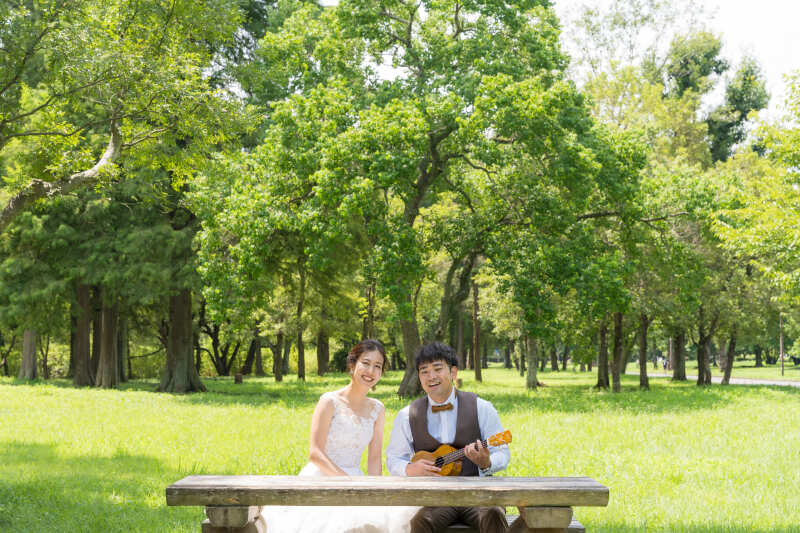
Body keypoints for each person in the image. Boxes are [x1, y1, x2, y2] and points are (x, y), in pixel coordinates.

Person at [260, 339, 419, 533]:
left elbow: (374, 458)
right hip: (321, 478)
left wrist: (375, 492)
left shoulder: (378, 408)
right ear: (353, 365)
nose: (370, 371)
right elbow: (315, 453)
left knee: (380, 520)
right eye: (366, 363)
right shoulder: (329, 401)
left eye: (377, 366)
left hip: (356, 479)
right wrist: (347, 483)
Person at [385, 342, 510, 533]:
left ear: (453, 373)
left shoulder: (482, 407)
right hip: (434, 497)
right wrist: (409, 468)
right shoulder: (407, 415)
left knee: (494, 513)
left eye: (437, 369)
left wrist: (487, 463)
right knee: (421, 521)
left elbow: (502, 452)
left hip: (478, 493)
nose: (431, 376)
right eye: (424, 371)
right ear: (419, 377)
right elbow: (394, 459)